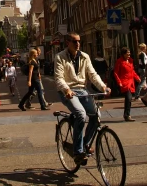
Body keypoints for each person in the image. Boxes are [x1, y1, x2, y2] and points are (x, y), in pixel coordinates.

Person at [54, 32, 110, 164]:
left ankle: (85, 144)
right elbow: (59, 78)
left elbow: (93, 74)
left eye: (79, 41)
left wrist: (103, 87)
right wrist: (66, 89)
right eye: (74, 41)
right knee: (80, 114)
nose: (77, 43)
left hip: (82, 90)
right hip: (67, 91)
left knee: (96, 116)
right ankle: (78, 152)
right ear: (67, 42)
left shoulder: (85, 57)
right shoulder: (60, 57)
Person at [113, 46, 140, 121]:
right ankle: (127, 115)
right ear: (123, 54)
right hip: (124, 82)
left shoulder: (130, 61)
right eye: (127, 53)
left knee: (129, 98)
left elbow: (132, 71)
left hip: (131, 82)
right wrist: (119, 82)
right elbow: (116, 72)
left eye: (129, 53)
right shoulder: (119, 61)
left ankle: (127, 114)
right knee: (128, 97)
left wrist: (137, 78)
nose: (129, 55)